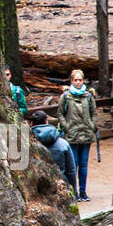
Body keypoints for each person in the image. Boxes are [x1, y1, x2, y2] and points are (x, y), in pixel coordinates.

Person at [56, 69, 97, 201]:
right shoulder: (66, 96)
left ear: (83, 80)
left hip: (86, 133)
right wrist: (66, 126)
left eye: (80, 80)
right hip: (71, 134)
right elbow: (60, 113)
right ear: (71, 81)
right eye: (75, 80)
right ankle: (74, 192)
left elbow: (94, 113)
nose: (78, 82)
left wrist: (92, 125)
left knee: (84, 165)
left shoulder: (89, 96)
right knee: (74, 164)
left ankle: (83, 191)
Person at [30, 109, 78, 194]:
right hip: (60, 188)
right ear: (46, 122)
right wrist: (73, 191)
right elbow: (71, 170)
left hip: (34, 190)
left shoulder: (26, 144)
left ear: (32, 124)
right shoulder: (62, 144)